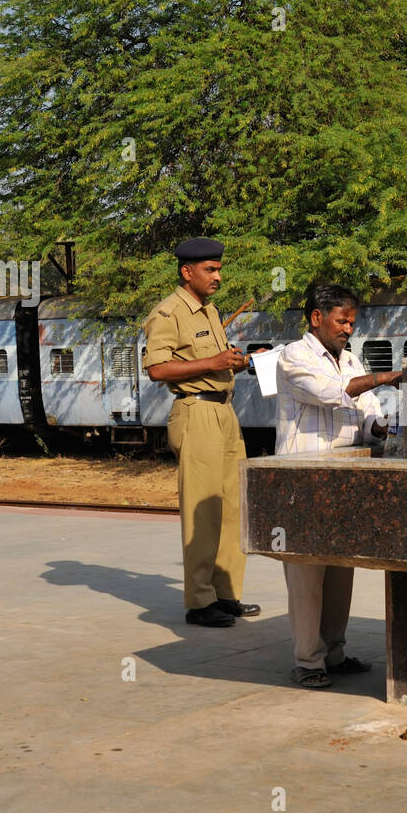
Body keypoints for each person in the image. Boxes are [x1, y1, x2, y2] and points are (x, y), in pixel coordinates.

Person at [275, 284, 404, 688]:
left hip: (344, 478)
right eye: (342, 320)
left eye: (352, 321)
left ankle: (335, 651)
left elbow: (367, 414)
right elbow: (331, 394)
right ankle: (308, 661)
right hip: (304, 478)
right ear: (317, 317)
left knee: (340, 570)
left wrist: (386, 428)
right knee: (307, 575)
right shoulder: (292, 357)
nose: (349, 328)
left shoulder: (350, 360)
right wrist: (386, 377)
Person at [143, 237, 260, 628]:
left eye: (219, 269)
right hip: (196, 414)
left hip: (225, 413)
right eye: (210, 270)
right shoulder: (168, 313)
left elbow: (213, 365)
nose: (218, 277)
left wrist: (239, 362)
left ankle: (225, 594)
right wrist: (213, 360)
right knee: (203, 509)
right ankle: (199, 602)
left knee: (231, 508)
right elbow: (157, 370)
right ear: (186, 272)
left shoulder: (209, 311)